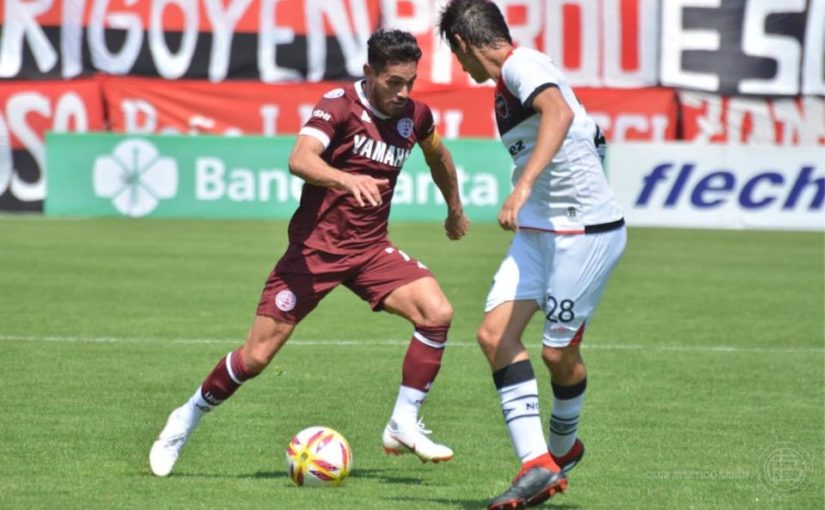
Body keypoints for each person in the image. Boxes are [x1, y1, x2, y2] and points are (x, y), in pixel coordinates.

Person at [149, 29, 470, 477]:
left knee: (436, 312)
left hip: (371, 251)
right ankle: (186, 416)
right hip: (314, 253)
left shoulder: (415, 116)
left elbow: (439, 156)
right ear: (369, 72)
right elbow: (300, 159)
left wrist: (454, 208)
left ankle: (404, 421)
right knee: (256, 357)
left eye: (410, 82)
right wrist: (345, 179)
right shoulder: (338, 105)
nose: (403, 92)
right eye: (394, 82)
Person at [439, 1, 627, 508]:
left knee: (557, 355)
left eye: (457, 58)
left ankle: (562, 450)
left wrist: (521, 190)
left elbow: (560, 114)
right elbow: (582, 128)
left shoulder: (524, 65)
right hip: (539, 234)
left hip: (582, 233)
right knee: (493, 336)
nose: (461, 69)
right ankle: (537, 465)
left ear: (462, 43)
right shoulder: (514, 82)